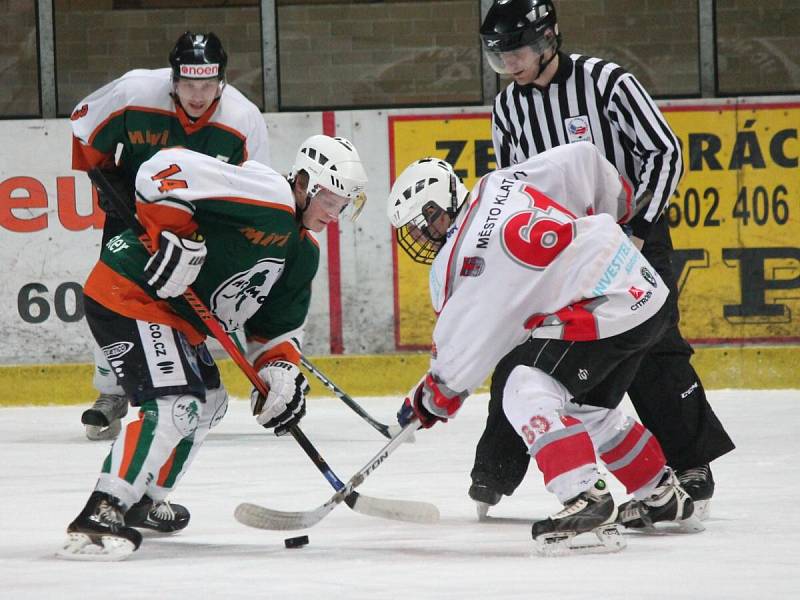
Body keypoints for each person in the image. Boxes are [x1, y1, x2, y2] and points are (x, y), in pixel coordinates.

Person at [469, 0, 734, 520]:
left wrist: (636, 227)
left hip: (631, 238)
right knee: (526, 346)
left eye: (518, 51)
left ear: (548, 39)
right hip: (560, 251)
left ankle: (689, 463)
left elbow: (664, 151)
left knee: (653, 346)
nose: (511, 65)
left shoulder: (606, 83)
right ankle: (495, 469)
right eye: (500, 57)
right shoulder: (508, 108)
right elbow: (513, 185)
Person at [56, 135, 368, 561]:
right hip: (130, 291)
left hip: (174, 317)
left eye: (344, 204)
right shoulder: (269, 194)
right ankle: (101, 512)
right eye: (332, 200)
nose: (337, 213)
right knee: (175, 402)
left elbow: (273, 330)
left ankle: (145, 499)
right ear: (304, 182)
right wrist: (176, 236)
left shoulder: (302, 250)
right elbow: (161, 171)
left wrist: (279, 373)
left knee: (210, 402)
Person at [387, 145, 700, 555]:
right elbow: (581, 160)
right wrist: (619, 203)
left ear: (438, 210)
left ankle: (586, 498)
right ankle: (661, 494)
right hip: (642, 287)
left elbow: (464, 344)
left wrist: (431, 398)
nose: (419, 238)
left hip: (606, 307)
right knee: (584, 409)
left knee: (523, 387)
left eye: (419, 225)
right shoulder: (498, 183)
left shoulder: (460, 258)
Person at [71, 31, 270, 443]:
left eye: (207, 85)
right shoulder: (135, 92)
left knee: (185, 303)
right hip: (135, 211)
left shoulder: (242, 119)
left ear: (222, 81)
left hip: (202, 223)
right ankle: (111, 392)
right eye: (188, 85)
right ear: (173, 80)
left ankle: (186, 373)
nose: (198, 96)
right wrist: (109, 182)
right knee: (115, 293)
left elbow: (255, 190)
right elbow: (83, 126)